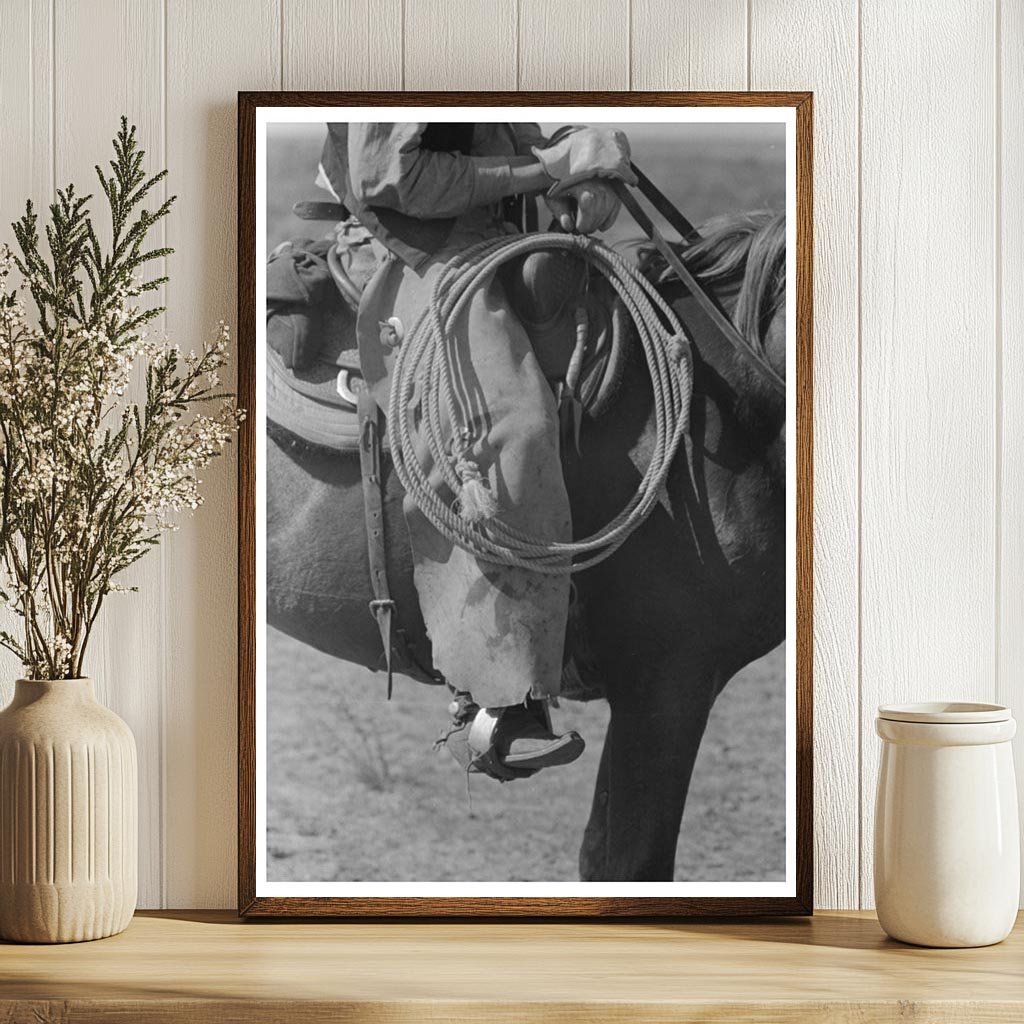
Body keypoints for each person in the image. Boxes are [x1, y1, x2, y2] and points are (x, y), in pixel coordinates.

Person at [317, 122, 635, 779]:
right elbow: (391, 176)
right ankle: (498, 707)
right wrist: (540, 168)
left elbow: (511, 131)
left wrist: (590, 161)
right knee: (509, 429)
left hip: (496, 233)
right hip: (413, 244)